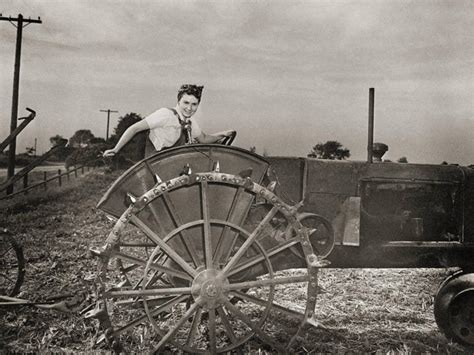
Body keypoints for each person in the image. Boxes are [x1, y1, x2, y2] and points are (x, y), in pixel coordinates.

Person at [103, 84, 235, 158]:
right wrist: (116, 149)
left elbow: (204, 139)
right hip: (155, 164)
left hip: (173, 164)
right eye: (186, 103)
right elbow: (134, 128)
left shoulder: (189, 123)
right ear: (178, 101)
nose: (189, 108)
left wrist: (223, 134)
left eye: (194, 104)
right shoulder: (165, 115)